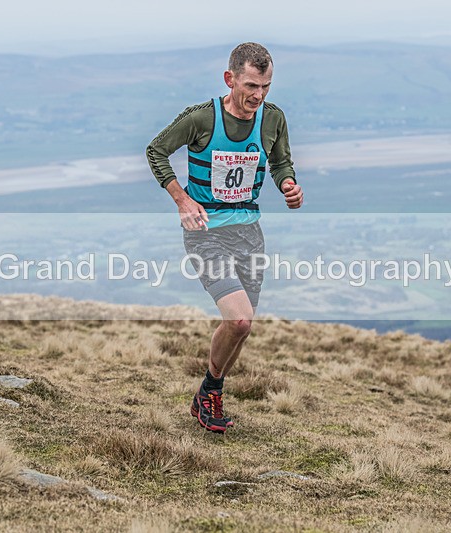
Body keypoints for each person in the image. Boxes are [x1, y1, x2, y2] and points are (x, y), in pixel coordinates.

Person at [146, 42, 304, 433]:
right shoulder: (202, 118)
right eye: (251, 85)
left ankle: (208, 392)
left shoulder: (272, 118)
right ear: (229, 79)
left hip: (249, 233)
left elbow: (280, 161)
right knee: (239, 320)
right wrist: (182, 200)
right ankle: (211, 392)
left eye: (266, 86)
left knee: (242, 328)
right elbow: (156, 151)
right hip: (206, 233)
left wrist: (288, 184)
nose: (258, 95)